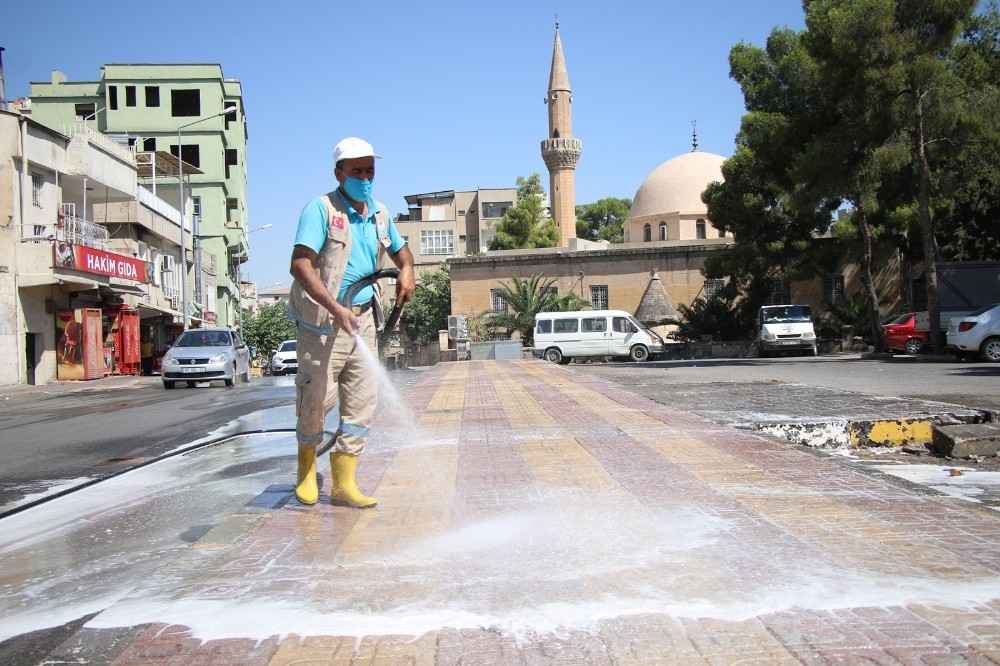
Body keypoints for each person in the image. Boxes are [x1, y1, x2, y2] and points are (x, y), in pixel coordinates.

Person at [287, 137, 415, 508]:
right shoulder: (321, 209)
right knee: (316, 402)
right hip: (323, 324)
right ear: (339, 172)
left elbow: (402, 254)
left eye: (370, 170)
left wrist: (407, 270)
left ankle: (344, 482)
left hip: (362, 321)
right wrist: (335, 307)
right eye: (356, 170)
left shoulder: (380, 213)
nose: (365, 177)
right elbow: (300, 265)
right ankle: (307, 471)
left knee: (362, 404)